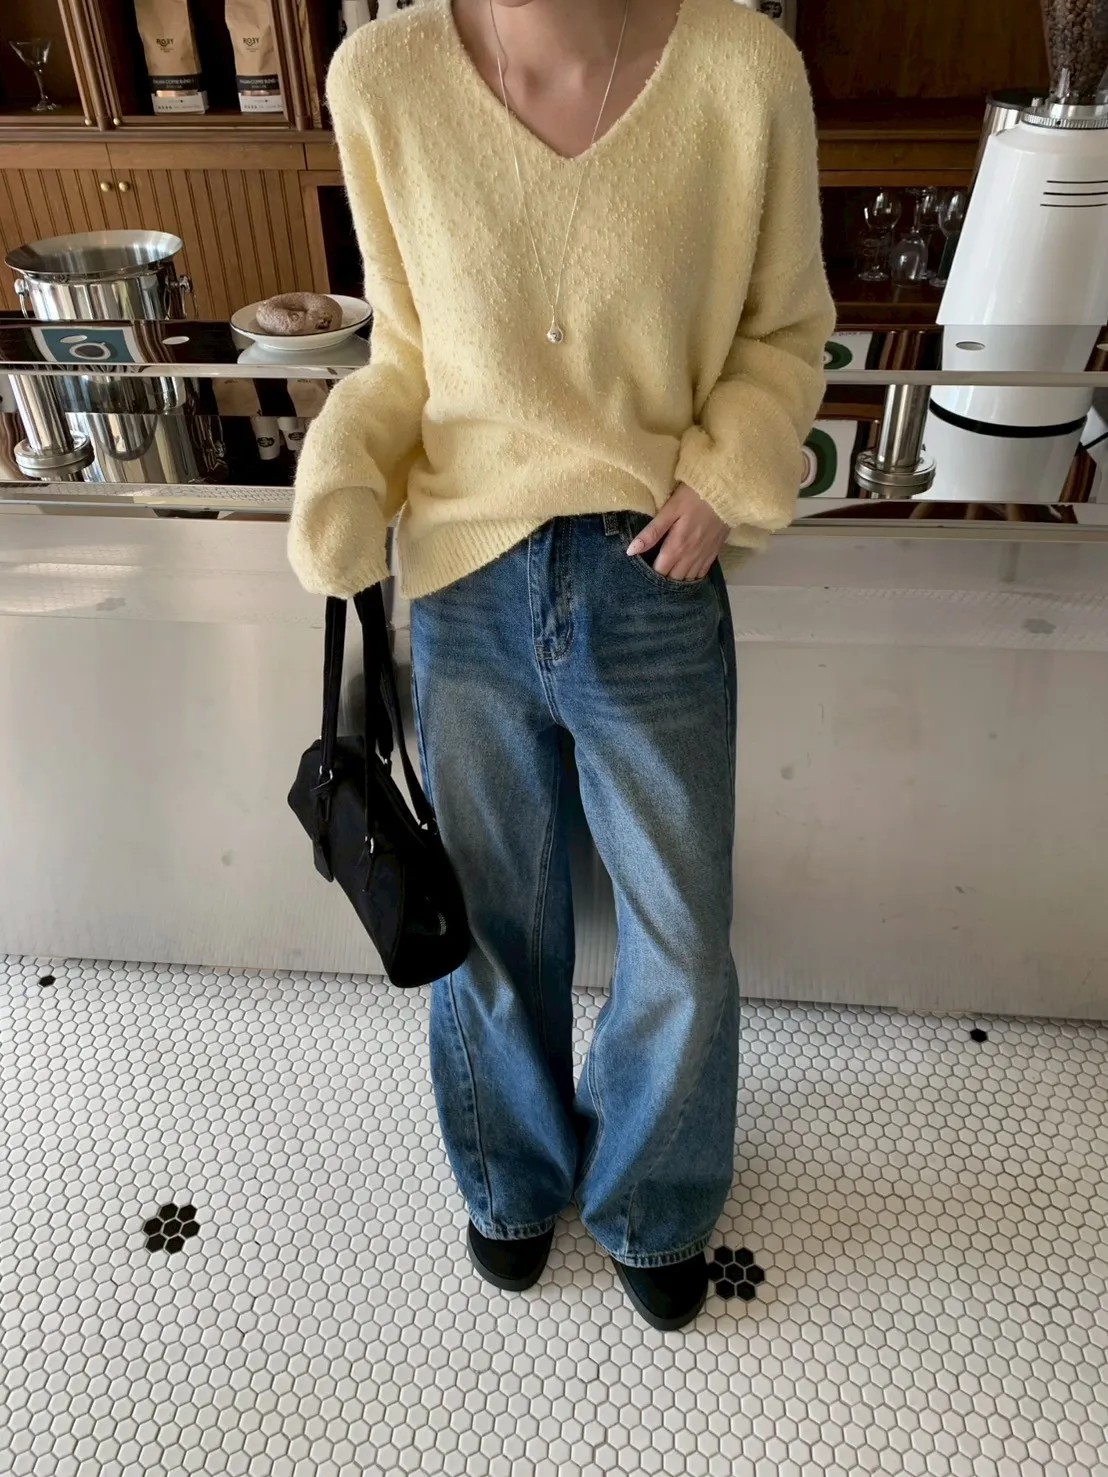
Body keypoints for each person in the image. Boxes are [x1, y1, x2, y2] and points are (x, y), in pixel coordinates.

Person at [289, 0, 834, 1331]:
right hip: (467, 579)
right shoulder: (384, 77)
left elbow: (783, 333)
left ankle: (654, 1199)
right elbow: (405, 349)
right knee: (491, 925)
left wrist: (727, 478)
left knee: (680, 936)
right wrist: (347, 467)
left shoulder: (742, 69)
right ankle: (511, 1181)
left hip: (654, 574)